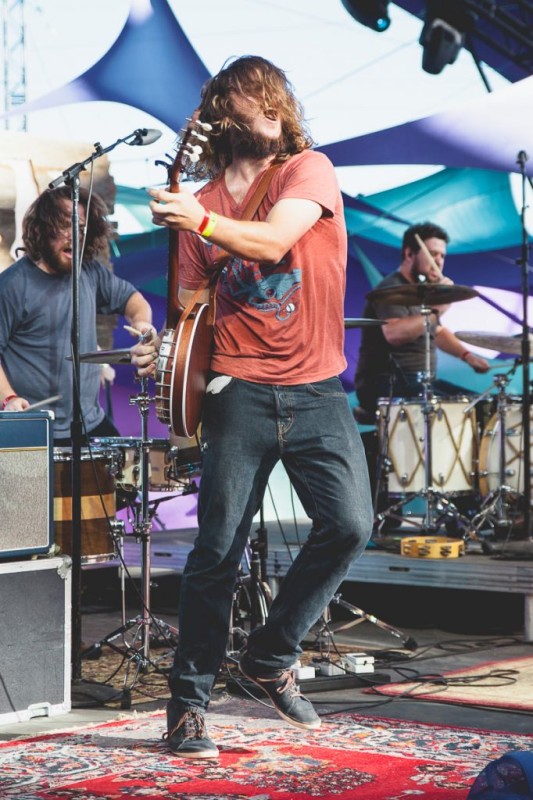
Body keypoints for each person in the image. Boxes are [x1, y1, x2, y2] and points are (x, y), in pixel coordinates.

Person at [145, 55, 374, 758]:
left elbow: (275, 239)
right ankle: (186, 712)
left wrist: (201, 222)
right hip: (237, 390)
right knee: (216, 552)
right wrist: (166, 353)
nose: (269, 110)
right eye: (252, 98)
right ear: (223, 111)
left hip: (314, 387)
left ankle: (271, 656)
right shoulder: (201, 199)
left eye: (275, 99)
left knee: (349, 524)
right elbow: (189, 306)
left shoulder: (309, 170)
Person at [0, 185, 156, 444]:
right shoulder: (13, 285)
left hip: (89, 421)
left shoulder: (90, 273)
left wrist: (143, 326)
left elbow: (133, 300)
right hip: (34, 426)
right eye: (64, 226)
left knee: (123, 476)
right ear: (41, 228)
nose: (74, 235)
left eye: (81, 228)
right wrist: (9, 398)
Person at [354, 221, 490, 418]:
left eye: (442, 255)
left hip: (420, 382)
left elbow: (437, 331)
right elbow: (394, 334)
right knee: (461, 411)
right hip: (385, 384)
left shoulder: (422, 294)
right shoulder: (390, 289)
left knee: (482, 405)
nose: (439, 260)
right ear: (410, 254)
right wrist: (438, 309)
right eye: (433, 254)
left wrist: (467, 356)